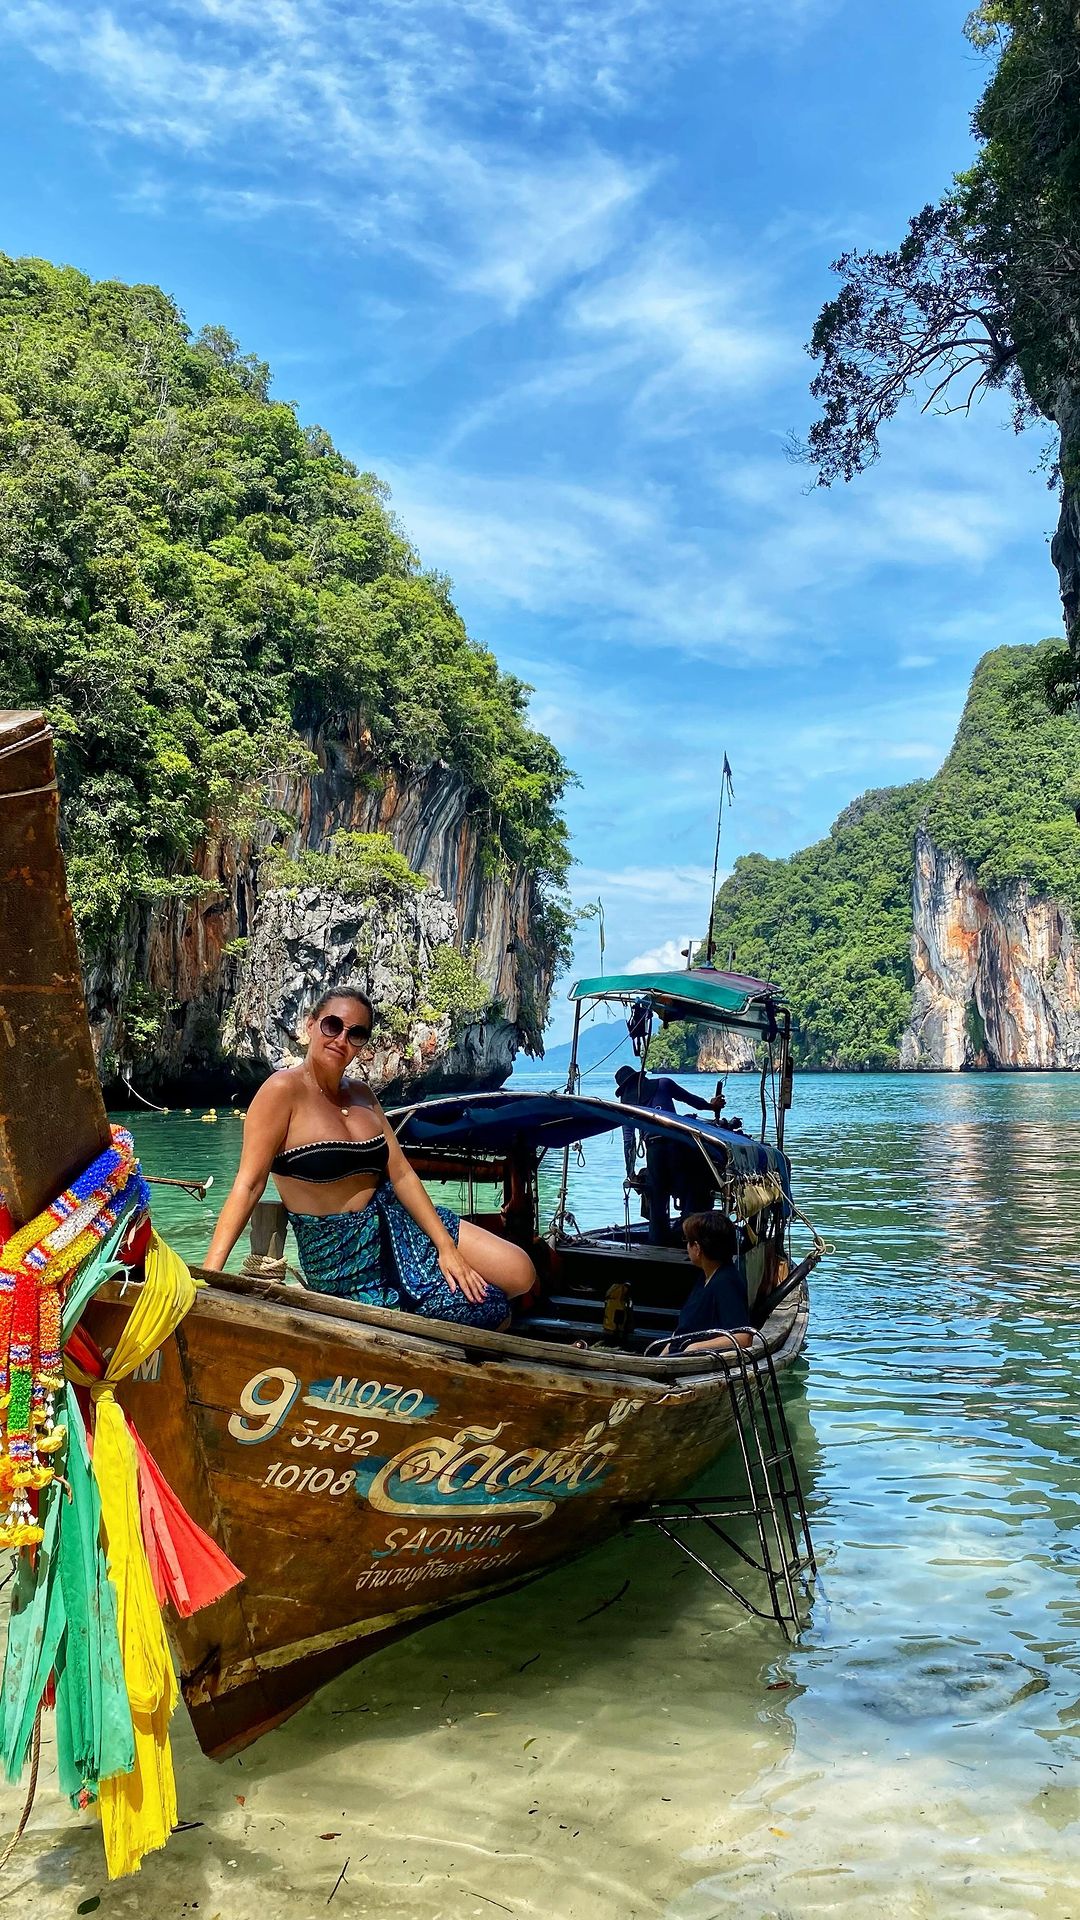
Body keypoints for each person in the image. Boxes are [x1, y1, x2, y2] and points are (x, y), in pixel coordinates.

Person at [205, 987, 536, 1329]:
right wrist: (210, 1277)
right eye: (333, 1025)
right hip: (342, 1260)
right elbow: (248, 1185)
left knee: (520, 1271)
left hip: (398, 1226)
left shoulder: (362, 1095)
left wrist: (445, 1247)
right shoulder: (281, 1091)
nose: (341, 1039)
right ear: (310, 1025)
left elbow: (403, 1175)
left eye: (356, 1033)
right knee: (489, 1308)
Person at [615, 1064, 723, 1245]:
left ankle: (658, 1242)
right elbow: (692, 1100)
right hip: (677, 1144)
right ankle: (688, 1235)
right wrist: (712, 1106)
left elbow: (629, 1141)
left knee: (658, 1196)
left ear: (625, 1089)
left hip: (654, 1149)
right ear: (641, 1078)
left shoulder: (627, 1105)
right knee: (691, 1186)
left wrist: (630, 1171)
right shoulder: (663, 1084)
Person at [667, 1211, 752, 1354]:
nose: (687, 1247)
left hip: (695, 1362)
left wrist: (694, 1348)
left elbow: (743, 1337)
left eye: (688, 1242)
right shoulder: (705, 1277)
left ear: (698, 1248)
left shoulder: (725, 1282)